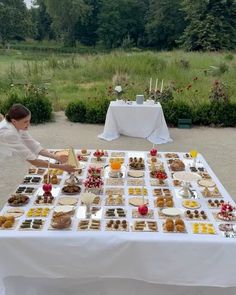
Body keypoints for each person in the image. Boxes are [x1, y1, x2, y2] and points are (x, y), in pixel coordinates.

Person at [0, 104, 77, 173]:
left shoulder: (17, 124)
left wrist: (57, 157)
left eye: (29, 120)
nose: (29, 124)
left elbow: (33, 145)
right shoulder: (9, 134)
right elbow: (33, 161)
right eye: (25, 122)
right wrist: (61, 167)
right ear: (14, 121)